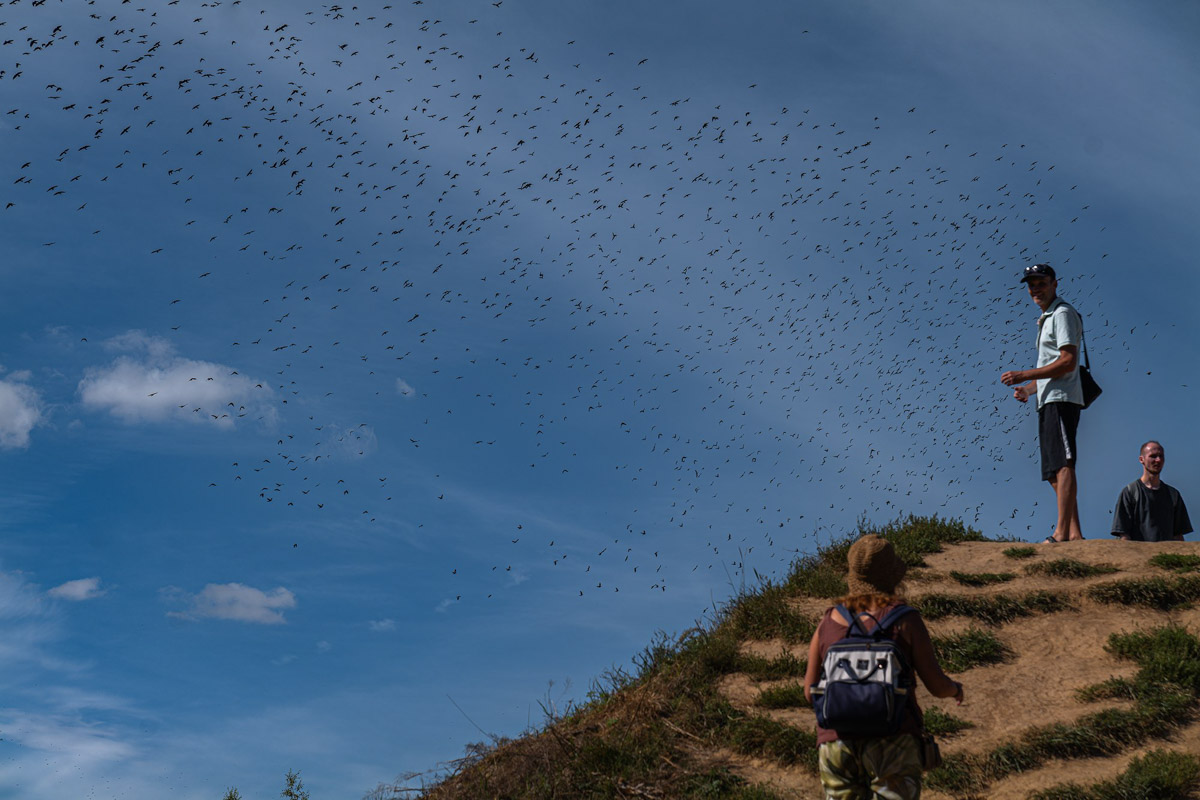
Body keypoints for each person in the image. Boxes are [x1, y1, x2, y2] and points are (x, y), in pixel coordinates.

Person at [804, 535, 963, 800]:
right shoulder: (905, 620)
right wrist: (955, 690)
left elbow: (810, 692)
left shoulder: (827, 624)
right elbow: (935, 685)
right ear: (892, 576)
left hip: (836, 743)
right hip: (895, 738)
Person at [1001, 263, 1085, 543]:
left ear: (1054, 283)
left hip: (1062, 400)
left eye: (1041, 282)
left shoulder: (1062, 314)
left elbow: (1067, 361)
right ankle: (1073, 533)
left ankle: (1061, 533)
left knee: (1063, 464)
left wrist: (1024, 373)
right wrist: (1028, 388)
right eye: (1031, 284)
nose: (1035, 288)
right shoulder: (1047, 318)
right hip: (1049, 400)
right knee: (1052, 471)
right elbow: (1052, 368)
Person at [1111, 440, 1193, 542]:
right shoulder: (1130, 492)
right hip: (1139, 555)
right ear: (1142, 459)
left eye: (1161, 456)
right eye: (1153, 456)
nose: (1158, 460)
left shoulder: (1173, 495)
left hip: (1165, 556)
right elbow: (1124, 535)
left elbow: (1178, 536)